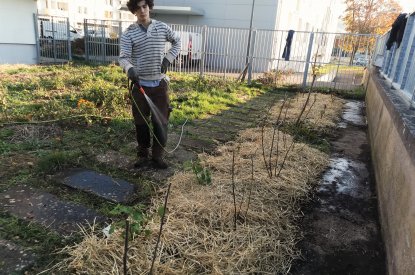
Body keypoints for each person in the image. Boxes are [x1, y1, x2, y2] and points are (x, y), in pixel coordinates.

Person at [119, 0, 181, 169]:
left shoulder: (161, 27)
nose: (142, 10)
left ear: (149, 7)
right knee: (141, 123)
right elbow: (123, 57)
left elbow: (177, 42)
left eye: (144, 6)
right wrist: (130, 69)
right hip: (140, 87)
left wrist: (168, 59)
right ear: (134, 11)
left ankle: (158, 156)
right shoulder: (129, 33)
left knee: (160, 122)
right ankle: (142, 155)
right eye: (138, 8)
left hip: (159, 85)